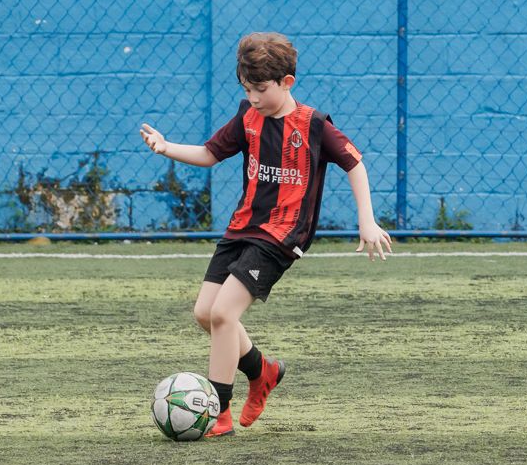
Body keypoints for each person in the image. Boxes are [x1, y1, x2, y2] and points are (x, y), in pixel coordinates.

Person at [139, 31, 392, 437]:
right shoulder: (248, 117)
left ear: (286, 82)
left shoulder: (313, 126)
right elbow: (209, 154)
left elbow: (355, 164)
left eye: (260, 89)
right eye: (247, 89)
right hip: (243, 227)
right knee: (205, 313)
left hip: (282, 236)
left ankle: (218, 413)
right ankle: (263, 372)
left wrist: (367, 219)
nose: (253, 98)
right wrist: (166, 147)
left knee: (224, 314)